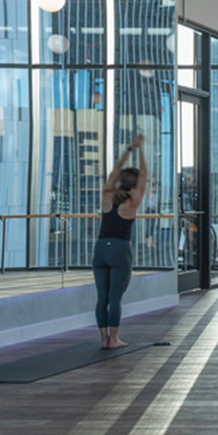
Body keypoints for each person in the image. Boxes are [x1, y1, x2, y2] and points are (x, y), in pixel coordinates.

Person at [95, 133, 148, 348]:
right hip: (119, 249)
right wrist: (141, 148)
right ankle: (114, 339)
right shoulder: (133, 202)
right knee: (115, 298)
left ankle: (103, 339)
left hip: (100, 249)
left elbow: (114, 171)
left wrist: (128, 150)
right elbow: (144, 175)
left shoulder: (107, 194)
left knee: (102, 297)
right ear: (134, 184)